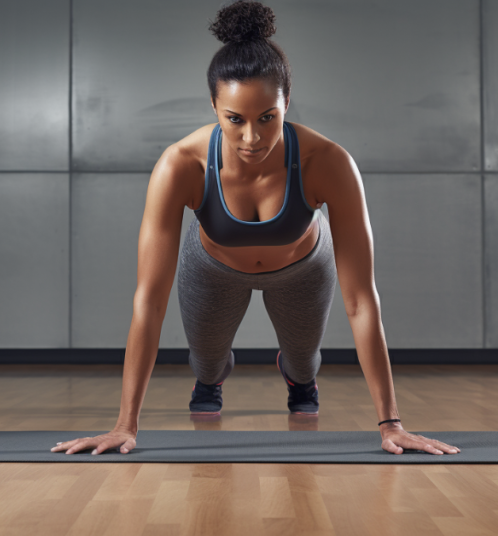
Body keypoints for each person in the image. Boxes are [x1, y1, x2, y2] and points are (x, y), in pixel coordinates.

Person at [52, 0, 460, 456]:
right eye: (235, 120)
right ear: (213, 106)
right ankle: (210, 381)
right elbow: (148, 300)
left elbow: (362, 300)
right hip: (212, 268)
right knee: (206, 363)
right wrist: (125, 426)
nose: (252, 138)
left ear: (287, 102)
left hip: (303, 267)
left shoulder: (329, 163)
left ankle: (299, 379)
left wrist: (391, 424)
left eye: (268, 117)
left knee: (305, 362)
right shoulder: (180, 165)